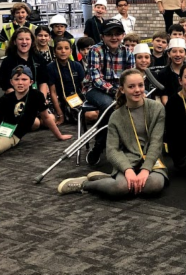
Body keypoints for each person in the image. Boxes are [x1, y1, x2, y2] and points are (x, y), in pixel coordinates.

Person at [57, 69, 167, 198]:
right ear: (122, 89)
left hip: (153, 160)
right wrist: (127, 170)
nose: (137, 90)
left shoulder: (157, 108)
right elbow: (112, 150)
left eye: (140, 85)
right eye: (131, 86)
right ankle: (85, 184)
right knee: (121, 187)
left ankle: (109, 179)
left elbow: (156, 142)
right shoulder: (116, 116)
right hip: (128, 159)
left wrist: (146, 169)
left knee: (153, 185)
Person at [82, 19, 135, 165]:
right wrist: (115, 91)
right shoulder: (95, 50)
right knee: (110, 105)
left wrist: (125, 90)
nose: (114, 37)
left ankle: (131, 146)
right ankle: (99, 145)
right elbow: (96, 78)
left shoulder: (127, 52)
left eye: (117, 34)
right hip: (94, 89)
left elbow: (130, 76)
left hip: (120, 90)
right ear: (102, 36)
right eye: (109, 34)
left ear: (123, 35)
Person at [47, 38, 92, 126]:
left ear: (71, 51)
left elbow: (84, 87)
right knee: (91, 115)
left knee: (94, 113)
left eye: (66, 48)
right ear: (54, 52)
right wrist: (60, 114)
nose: (63, 51)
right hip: (60, 101)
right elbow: (53, 92)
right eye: (59, 48)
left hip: (77, 99)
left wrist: (86, 102)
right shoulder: (50, 67)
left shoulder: (77, 65)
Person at [0, 28, 49, 96]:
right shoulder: (7, 62)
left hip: (37, 98)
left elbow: (43, 82)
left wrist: (41, 100)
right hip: (15, 99)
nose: (24, 42)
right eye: (20, 39)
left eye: (27, 39)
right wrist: (20, 100)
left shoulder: (39, 59)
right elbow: (6, 85)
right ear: (15, 42)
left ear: (32, 41)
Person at [157, 38, 186, 105]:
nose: (178, 54)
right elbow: (164, 98)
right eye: (174, 51)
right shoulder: (163, 73)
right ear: (169, 54)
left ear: (185, 54)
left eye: (181, 51)